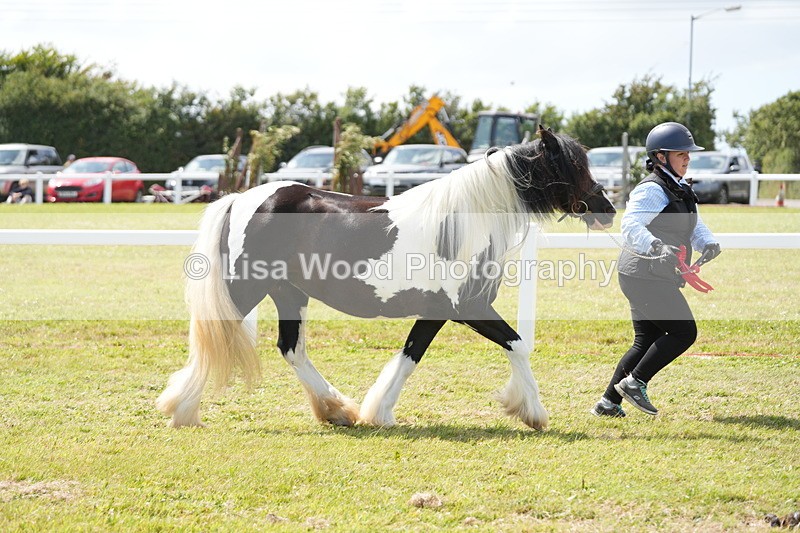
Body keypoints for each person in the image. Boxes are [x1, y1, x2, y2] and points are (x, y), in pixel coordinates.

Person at [592, 122, 722, 417]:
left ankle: (608, 403)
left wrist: (708, 242)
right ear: (661, 157)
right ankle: (635, 382)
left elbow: (692, 223)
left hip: (648, 274)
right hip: (644, 274)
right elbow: (631, 224)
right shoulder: (653, 189)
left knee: (646, 340)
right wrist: (655, 246)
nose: (687, 158)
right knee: (683, 331)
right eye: (681, 154)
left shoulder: (679, 187)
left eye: (688, 153)